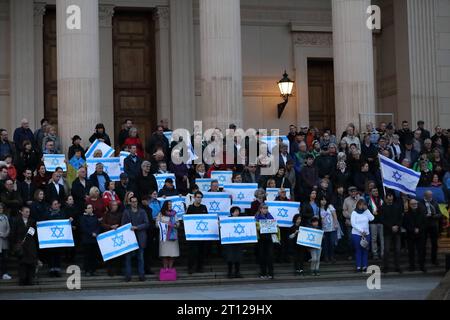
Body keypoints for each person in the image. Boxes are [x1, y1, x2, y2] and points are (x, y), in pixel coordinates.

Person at [122, 196, 149, 282]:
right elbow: (123, 224)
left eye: (136, 201)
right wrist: (129, 228)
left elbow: (146, 223)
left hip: (140, 237)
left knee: (140, 257)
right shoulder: (126, 212)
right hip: (130, 237)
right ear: (130, 203)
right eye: (133, 201)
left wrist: (137, 227)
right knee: (128, 257)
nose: (134, 203)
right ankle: (128, 275)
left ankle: (141, 275)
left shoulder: (142, 211)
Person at [11, 206, 38, 286]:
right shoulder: (16, 221)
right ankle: (22, 280)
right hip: (21, 246)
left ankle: (30, 280)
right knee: (22, 264)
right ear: (21, 212)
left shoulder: (32, 221)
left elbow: (34, 234)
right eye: (26, 212)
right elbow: (13, 233)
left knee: (31, 264)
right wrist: (16, 243)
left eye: (28, 212)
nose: (28, 213)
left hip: (30, 246)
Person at [185, 191, 208, 274]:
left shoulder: (204, 207)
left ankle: (200, 267)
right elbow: (187, 220)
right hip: (193, 234)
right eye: (198, 197)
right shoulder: (190, 208)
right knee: (192, 252)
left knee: (201, 252)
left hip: (202, 234)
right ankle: (190, 267)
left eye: (200, 197)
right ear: (194, 197)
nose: (199, 199)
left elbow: (207, 219)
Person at [380, 192, 403, 273]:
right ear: (386, 198)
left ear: (393, 197)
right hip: (387, 231)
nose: (390, 198)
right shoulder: (383, 207)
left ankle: (398, 267)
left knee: (397, 250)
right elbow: (382, 219)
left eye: (391, 196)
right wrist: (391, 227)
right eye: (388, 196)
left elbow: (401, 218)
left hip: (397, 231)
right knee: (386, 250)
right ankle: (385, 267)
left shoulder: (397, 206)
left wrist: (397, 226)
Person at [255, 204, 279, 279]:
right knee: (262, 256)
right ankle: (263, 273)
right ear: (260, 209)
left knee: (270, 256)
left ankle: (271, 273)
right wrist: (260, 227)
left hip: (269, 239)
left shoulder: (270, 216)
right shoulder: (257, 217)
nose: (265, 210)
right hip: (261, 239)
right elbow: (255, 227)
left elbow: (275, 226)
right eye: (264, 208)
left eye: (266, 208)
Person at [351, 199, 374, 272]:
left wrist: (367, 210)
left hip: (366, 234)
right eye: (360, 204)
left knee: (365, 250)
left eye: (364, 204)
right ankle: (358, 266)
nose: (362, 206)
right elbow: (353, 224)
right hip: (357, 234)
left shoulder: (366, 212)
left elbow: (372, 218)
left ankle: (364, 266)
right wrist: (361, 231)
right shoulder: (354, 213)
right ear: (358, 205)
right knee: (358, 250)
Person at [404, 199, 427, 272]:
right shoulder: (407, 214)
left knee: (421, 251)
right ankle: (412, 266)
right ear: (410, 205)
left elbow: (425, 223)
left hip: (420, 235)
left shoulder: (422, 213)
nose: (414, 205)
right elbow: (405, 224)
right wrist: (413, 229)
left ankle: (422, 266)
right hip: (410, 235)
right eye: (412, 204)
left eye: (415, 204)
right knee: (411, 252)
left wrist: (419, 229)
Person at [156, 200, 180, 271]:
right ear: (165, 205)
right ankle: (165, 268)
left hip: (172, 235)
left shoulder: (174, 213)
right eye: (169, 204)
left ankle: (170, 268)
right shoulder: (161, 214)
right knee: (164, 254)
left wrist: (174, 225)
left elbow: (178, 223)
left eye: (171, 204)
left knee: (172, 254)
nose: (170, 206)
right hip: (164, 237)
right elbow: (157, 224)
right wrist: (166, 224)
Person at [101, 201, 123, 276]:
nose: (115, 206)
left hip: (118, 236)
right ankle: (110, 270)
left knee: (119, 255)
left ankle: (118, 270)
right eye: (113, 205)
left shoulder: (120, 214)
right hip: (109, 237)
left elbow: (123, 223)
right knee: (110, 255)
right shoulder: (106, 214)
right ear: (110, 206)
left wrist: (118, 226)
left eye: (116, 205)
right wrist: (110, 227)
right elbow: (103, 224)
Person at [421, 190, 441, 266]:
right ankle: (422, 260)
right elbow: (419, 214)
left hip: (433, 226)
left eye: (431, 195)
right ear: (425, 196)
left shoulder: (435, 203)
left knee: (434, 244)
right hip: (424, 226)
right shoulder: (420, 203)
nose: (430, 197)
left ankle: (434, 259)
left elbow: (440, 214)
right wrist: (425, 216)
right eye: (429, 196)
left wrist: (433, 216)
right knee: (423, 243)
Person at [80, 204, 100, 276]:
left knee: (94, 256)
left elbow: (98, 226)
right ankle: (87, 270)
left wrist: (96, 232)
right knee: (87, 256)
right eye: (88, 208)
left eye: (91, 208)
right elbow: (83, 227)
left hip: (94, 240)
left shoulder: (95, 217)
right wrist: (91, 233)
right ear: (86, 210)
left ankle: (93, 270)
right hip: (87, 240)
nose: (90, 209)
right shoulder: (83, 217)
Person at [224, 206, 244, 278]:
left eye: (238, 211)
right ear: (232, 213)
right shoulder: (227, 220)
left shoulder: (241, 220)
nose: (237, 212)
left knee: (238, 258)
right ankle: (229, 272)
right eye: (236, 211)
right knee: (230, 257)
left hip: (238, 241)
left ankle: (237, 272)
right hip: (230, 242)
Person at [366, 187, 384, 260]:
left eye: (376, 191)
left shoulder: (381, 200)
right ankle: (375, 253)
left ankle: (383, 253)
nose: (376, 192)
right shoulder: (368, 200)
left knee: (382, 238)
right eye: (374, 191)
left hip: (381, 222)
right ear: (370, 192)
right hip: (373, 222)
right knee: (374, 239)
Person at [319, 196, 338, 263]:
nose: (323, 201)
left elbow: (334, 215)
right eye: (322, 200)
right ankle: (326, 257)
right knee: (325, 244)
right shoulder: (319, 209)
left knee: (332, 243)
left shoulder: (330, 206)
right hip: (323, 229)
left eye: (325, 200)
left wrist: (336, 224)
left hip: (332, 228)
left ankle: (332, 257)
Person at [0, 202, 11, 280]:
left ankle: (4, 273)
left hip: (4, 241)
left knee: (5, 258)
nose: (1, 209)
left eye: (1, 208)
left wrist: (4, 234)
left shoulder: (5, 217)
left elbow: (8, 228)